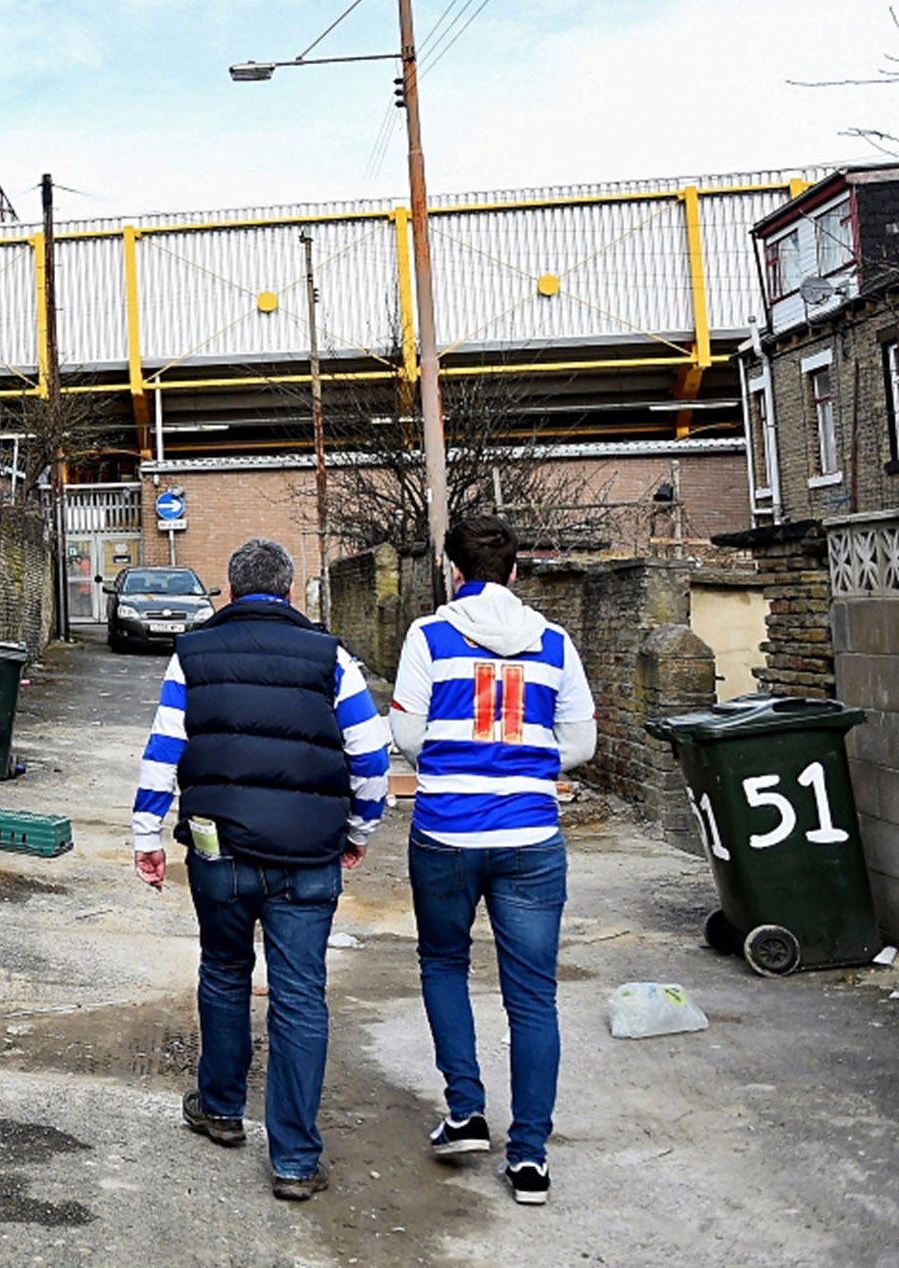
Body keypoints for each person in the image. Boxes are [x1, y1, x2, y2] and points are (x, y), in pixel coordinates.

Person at [132, 537, 390, 1202]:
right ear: (291, 591)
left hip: (220, 853)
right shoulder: (333, 657)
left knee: (223, 970)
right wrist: (357, 830)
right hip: (307, 857)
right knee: (300, 996)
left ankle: (220, 1108)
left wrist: (147, 835)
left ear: (231, 588)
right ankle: (296, 1160)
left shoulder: (192, 654)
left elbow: (164, 750)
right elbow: (371, 757)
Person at [389, 515, 596, 1207]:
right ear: (515, 570)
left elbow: (407, 733)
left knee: (444, 963)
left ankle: (465, 1112)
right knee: (533, 995)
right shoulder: (556, 642)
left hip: (446, 834)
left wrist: (456, 760)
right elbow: (581, 742)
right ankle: (531, 1157)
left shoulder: (430, 635)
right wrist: (528, 762)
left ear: (453, 571)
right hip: (532, 838)